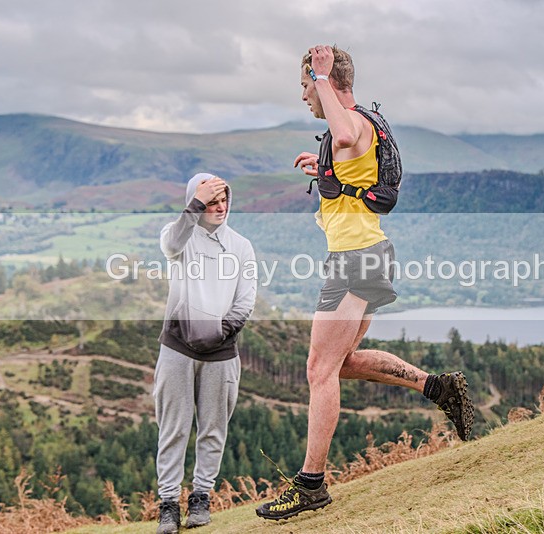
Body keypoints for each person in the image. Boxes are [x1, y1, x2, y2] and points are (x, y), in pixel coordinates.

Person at [256, 45, 474, 521]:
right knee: (341, 363)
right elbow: (354, 162)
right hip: (369, 254)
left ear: (323, 84)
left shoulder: (351, 120)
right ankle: (438, 387)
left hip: (355, 260)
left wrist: (319, 75)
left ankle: (311, 484)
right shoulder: (361, 126)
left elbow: (344, 129)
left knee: (318, 369)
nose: (304, 98)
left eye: (305, 88)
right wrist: (327, 171)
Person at [154, 173, 257, 534]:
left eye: (223, 200)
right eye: (211, 201)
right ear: (196, 202)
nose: (220, 207)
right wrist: (195, 204)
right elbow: (170, 245)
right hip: (177, 348)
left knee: (213, 429)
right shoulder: (180, 236)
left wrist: (220, 331)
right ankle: (168, 505)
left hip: (222, 353)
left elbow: (246, 298)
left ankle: (201, 498)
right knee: (174, 428)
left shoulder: (241, 246)